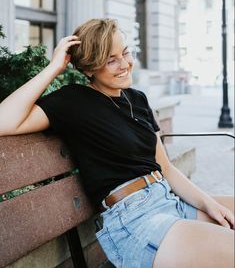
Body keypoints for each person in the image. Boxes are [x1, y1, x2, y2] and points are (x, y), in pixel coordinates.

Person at [0, 18, 234, 268]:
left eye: (125, 53)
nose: (125, 64)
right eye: (111, 60)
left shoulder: (138, 99)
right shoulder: (73, 101)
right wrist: (53, 68)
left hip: (169, 202)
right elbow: (4, 121)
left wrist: (209, 203)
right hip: (136, 221)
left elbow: (165, 169)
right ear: (89, 69)